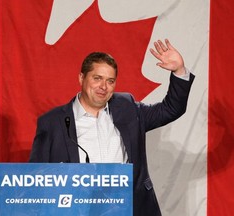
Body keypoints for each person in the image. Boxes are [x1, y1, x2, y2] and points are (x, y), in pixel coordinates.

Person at [29, 39, 195, 215]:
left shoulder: (128, 107)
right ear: (81, 78)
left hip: (131, 208)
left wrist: (179, 71)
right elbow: (35, 179)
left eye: (110, 81)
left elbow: (170, 109)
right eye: (97, 78)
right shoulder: (53, 122)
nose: (103, 87)